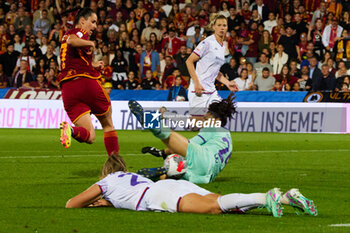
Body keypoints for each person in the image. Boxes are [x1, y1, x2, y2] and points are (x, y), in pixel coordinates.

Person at [66, 154, 318, 219]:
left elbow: (72, 204)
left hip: (157, 197)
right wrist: (109, 202)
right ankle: (286, 198)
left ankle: (267, 197)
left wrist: (94, 199)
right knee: (222, 201)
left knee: (214, 208)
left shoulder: (107, 181)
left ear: (106, 172)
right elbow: (122, 196)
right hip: (173, 186)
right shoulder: (130, 176)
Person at [131, 93, 236, 184]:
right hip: (206, 177)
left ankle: (149, 121)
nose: (204, 121)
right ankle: (158, 176)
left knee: (174, 140)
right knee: (174, 175)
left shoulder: (212, 128)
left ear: (217, 119)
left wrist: (162, 152)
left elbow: (188, 145)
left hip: (204, 159)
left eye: (206, 119)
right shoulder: (227, 137)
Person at [58, 8, 119, 157]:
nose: (94, 27)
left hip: (68, 91)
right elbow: (72, 40)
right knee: (107, 123)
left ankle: (70, 130)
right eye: (92, 22)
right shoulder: (79, 32)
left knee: (90, 136)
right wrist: (91, 43)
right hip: (85, 83)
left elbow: (74, 60)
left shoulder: (67, 36)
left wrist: (93, 65)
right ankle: (116, 167)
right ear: (82, 21)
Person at [186, 13, 237, 118]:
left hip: (211, 91)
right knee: (197, 125)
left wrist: (227, 83)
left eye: (224, 25)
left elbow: (214, 70)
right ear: (214, 27)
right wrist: (196, 83)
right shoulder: (207, 43)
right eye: (219, 25)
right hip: (199, 90)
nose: (222, 28)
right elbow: (189, 61)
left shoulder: (222, 46)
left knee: (219, 118)